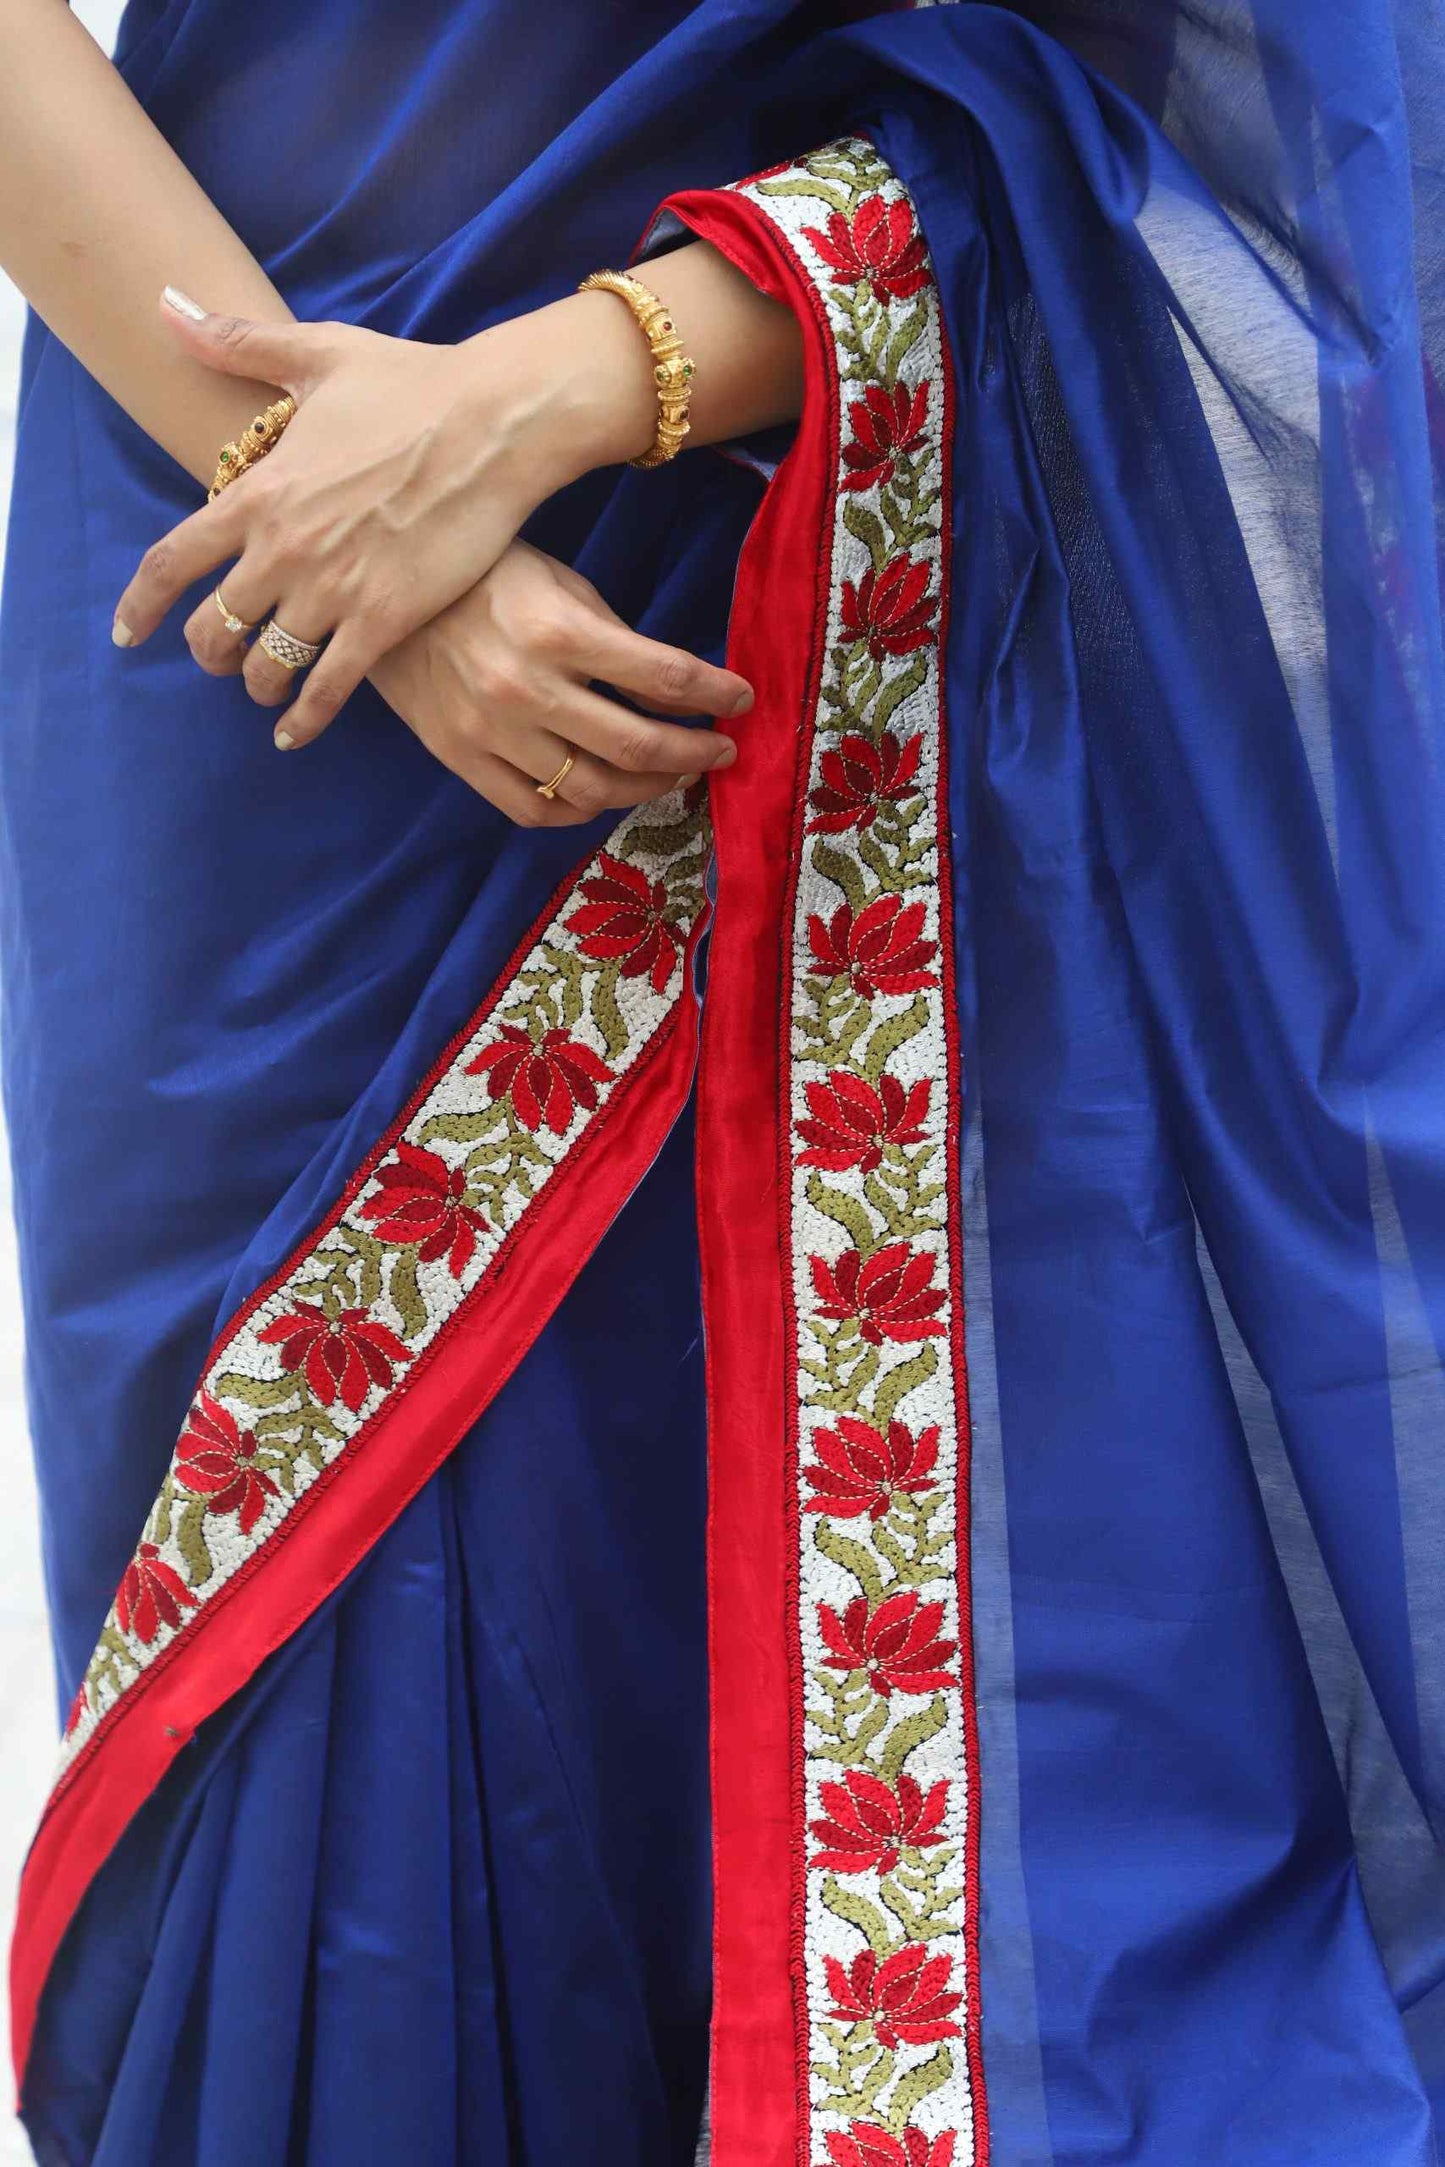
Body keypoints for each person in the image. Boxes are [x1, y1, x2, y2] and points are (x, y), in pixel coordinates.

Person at [2, 1, 1444, 2162]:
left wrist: (563, 386)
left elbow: (1255, 113)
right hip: (234, 605)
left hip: (773, 587)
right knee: (309, 1734)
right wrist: (324, 514)